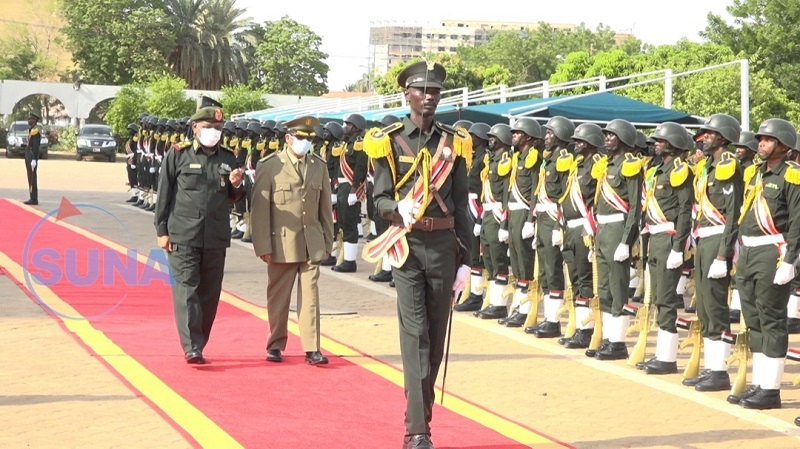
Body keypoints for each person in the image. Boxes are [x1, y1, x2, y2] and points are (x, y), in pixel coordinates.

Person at [365, 61, 471, 449]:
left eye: (435, 92)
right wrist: (398, 208)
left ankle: (420, 417)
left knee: (436, 340)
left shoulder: (454, 143)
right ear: (406, 94)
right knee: (415, 337)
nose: (429, 97)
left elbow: (462, 205)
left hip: (444, 248)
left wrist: (467, 261)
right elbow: (377, 199)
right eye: (422, 91)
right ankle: (417, 431)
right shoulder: (388, 141)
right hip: (407, 247)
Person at [154, 98, 245, 364]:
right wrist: (162, 229)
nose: (214, 132)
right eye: (208, 126)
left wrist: (238, 185)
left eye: (218, 128)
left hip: (215, 235)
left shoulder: (228, 157)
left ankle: (200, 341)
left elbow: (235, 197)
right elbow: (164, 194)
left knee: (210, 292)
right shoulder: (178, 153)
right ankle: (191, 345)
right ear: (195, 128)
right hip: (184, 233)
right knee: (187, 289)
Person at [251, 116, 334, 365]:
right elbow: (260, 210)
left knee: (311, 296)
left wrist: (327, 242)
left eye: (310, 139)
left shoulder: (319, 165)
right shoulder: (269, 165)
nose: (306, 143)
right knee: (279, 296)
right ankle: (275, 344)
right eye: (301, 138)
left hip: (312, 241)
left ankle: (312, 348)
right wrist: (263, 246)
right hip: (281, 243)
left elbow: (325, 207)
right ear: (288, 138)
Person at [736, 119, 800, 409]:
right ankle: (759, 383)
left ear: (783, 145)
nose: (760, 143)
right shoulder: (755, 174)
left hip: (772, 252)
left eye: (766, 139)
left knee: (772, 320)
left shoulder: (792, 176)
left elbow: (797, 222)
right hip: (748, 252)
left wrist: (790, 261)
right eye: (759, 139)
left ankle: (771, 390)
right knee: (754, 320)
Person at [683, 114, 743, 391]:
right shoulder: (707, 166)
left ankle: (719, 371)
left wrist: (723, 254)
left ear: (722, 137)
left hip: (719, 239)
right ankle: (711, 367)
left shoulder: (729, 165)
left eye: (709, 133)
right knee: (704, 307)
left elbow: (732, 215)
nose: (703, 137)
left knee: (716, 306)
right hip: (705, 239)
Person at [639, 122, 693, 374]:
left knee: (667, 300)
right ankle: (662, 354)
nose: (655, 144)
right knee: (658, 298)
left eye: (660, 140)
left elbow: (685, 210)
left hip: (669, 237)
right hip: (655, 237)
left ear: (672, 143)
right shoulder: (656, 169)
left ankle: (668, 358)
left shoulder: (680, 169)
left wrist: (678, 246)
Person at [591, 119, 643, 360]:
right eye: (606, 135)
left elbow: (634, 207)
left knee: (617, 285)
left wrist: (626, 240)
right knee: (603, 288)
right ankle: (609, 338)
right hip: (602, 229)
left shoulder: (630, 165)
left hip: (617, 228)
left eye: (611, 135)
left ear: (622, 138)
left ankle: (619, 342)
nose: (606, 138)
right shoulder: (605, 164)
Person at [526, 116, 575, 337]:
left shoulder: (565, 159)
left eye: (549, 134)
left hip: (555, 217)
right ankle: (549, 318)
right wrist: (533, 221)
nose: (545, 137)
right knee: (545, 270)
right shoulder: (548, 159)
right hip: (543, 218)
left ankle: (554, 321)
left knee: (554, 270)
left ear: (561, 135)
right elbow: (538, 191)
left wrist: (558, 224)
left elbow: (566, 195)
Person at [558, 123, 604, 348]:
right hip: (570, 228)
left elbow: (599, 198)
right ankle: (579, 326)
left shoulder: (597, 164)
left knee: (585, 280)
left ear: (591, 143)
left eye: (580, 141)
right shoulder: (578, 166)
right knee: (575, 279)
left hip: (585, 228)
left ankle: (587, 331)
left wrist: (592, 226)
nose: (576, 144)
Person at [498, 118, 542, 327]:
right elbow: (508, 191)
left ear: (528, 136)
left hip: (524, 214)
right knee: (515, 264)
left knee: (525, 265)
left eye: (517, 133)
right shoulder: (515, 158)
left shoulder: (534, 157)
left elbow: (535, 190)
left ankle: (525, 310)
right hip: (513, 214)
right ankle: (517, 307)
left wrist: (530, 221)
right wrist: (504, 223)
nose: (513, 136)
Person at [473, 124, 512, 320]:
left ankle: (499, 305)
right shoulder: (492, 160)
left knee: (498, 259)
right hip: (488, 213)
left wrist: (504, 223)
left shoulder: (506, 161)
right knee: (488, 258)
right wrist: (480, 219)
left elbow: (506, 193)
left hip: (498, 214)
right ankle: (492, 301)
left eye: (493, 137)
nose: (490, 140)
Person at [453, 122, 490, 312]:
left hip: (477, 205)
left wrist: (480, 216)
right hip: (467, 203)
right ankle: (469, 292)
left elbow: (486, 188)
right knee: (468, 248)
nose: (471, 139)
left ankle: (476, 295)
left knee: (476, 253)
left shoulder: (485, 159)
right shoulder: (473, 157)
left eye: (474, 136)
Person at [331, 113, 368, 273]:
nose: (344, 126)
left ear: (356, 127)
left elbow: (360, 168)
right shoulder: (347, 143)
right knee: (343, 223)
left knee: (350, 224)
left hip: (351, 188)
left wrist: (354, 190)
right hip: (342, 187)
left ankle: (350, 261)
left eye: (348, 124)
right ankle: (346, 259)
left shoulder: (360, 144)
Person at [23, 112, 42, 205]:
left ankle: (34, 198)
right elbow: (30, 144)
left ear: (34, 120)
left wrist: (34, 158)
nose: (28, 120)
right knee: (30, 176)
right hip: (28, 154)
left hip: (32, 156)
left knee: (32, 177)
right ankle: (32, 196)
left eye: (30, 119)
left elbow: (35, 146)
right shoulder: (31, 130)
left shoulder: (35, 131)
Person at [125, 123, 140, 203]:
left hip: (133, 159)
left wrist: (134, 161)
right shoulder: (131, 139)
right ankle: (134, 194)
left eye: (130, 129)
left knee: (134, 178)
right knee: (131, 178)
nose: (128, 131)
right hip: (129, 159)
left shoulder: (135, 139)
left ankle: (136, 195)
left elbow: (136, 151)